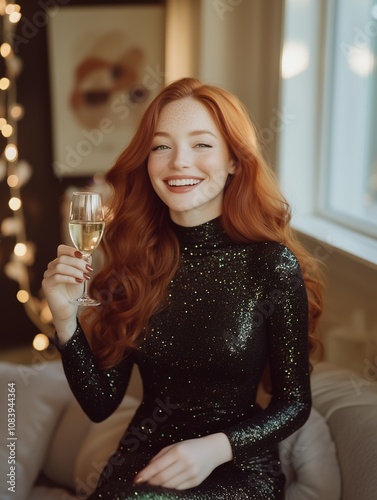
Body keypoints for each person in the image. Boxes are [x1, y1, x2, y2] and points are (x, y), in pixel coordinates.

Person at [42, 77, 323, 499]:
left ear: (233, 160)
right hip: (143, 457)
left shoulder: (269, 265)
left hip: (236, 467)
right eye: (162, 146)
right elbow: (100, 405)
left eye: (202, 145)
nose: (179, 163)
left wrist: (212, 450)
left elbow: (294, 403)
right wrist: (66, 323)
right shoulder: (135, 263)